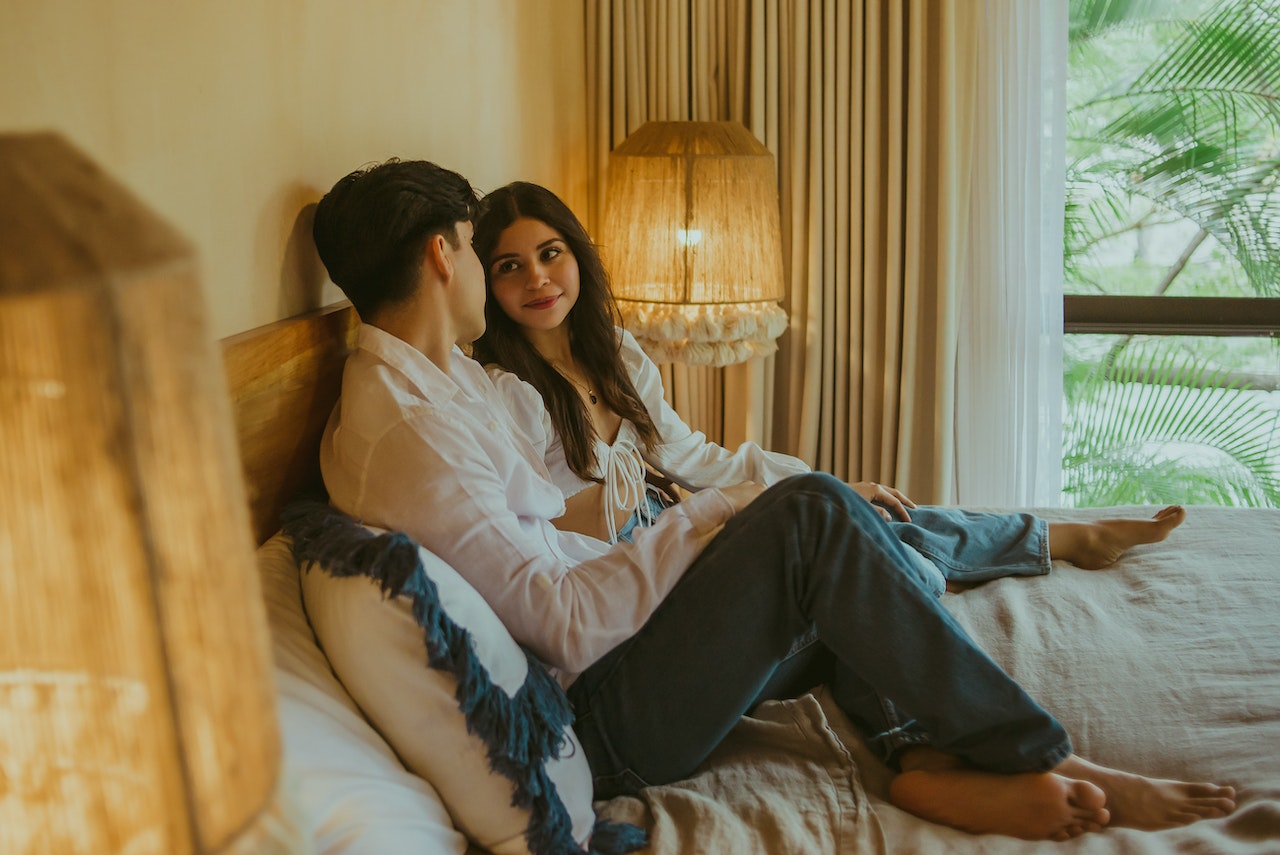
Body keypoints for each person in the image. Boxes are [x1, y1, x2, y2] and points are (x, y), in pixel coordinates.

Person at [310, 158, 1236, 842]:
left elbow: (594, 525)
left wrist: (717, 531)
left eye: (542, 254)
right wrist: (716, 516)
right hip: (605, 714)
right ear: (443, 255)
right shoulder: (417, 429)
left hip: (627, 646)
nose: (506, 276)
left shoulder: (434, 384)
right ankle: (1036, 750)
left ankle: (925, 757)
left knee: (838, 545)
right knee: (813, 516)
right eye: (487, 256)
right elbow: (563, 620)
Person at [470, 180, 1189, 596]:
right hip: (655, 567)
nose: (537, 278)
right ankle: (1053, 539)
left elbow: (694, 457)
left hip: (690, 526)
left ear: (577, 255)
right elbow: (542, 532)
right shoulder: (506, 394)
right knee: (845, 530)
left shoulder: (617, 353)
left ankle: (1061, 536)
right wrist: (696, 524)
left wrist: (823, 482)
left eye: (550, 253)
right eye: (509, 266)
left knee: (863, 511)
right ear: (485, 285)